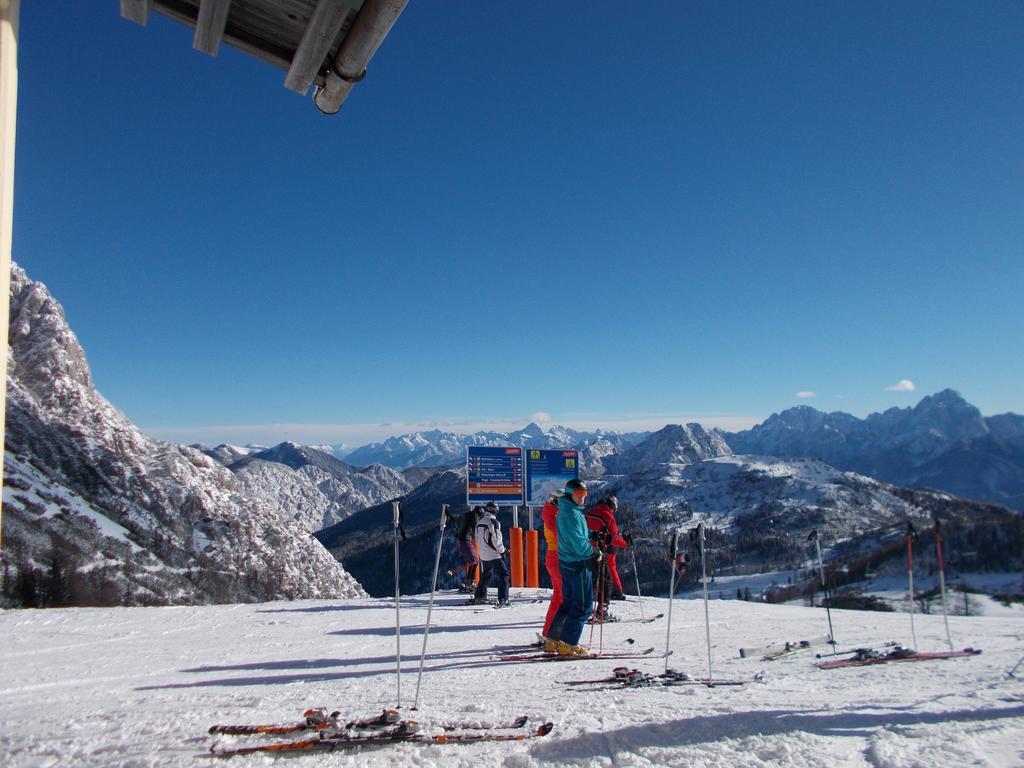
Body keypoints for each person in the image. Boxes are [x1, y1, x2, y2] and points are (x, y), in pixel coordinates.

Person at [546, 479, 603, 656]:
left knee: (569, 602)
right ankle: (568, 644)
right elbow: (578, 542)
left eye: (584, 495)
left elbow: (577, 533)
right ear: (570, 495)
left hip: (567, 563)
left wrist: (593, 534)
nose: (582, 499)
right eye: (578, 495)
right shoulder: (571, 513)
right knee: (583, 606)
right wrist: (593, 552)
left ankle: (553, 640)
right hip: (577, 563)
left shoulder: (569, 510)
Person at [586, 494, 629, 622]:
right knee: (605, 580)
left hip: (584, 550)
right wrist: (625, 543)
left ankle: (585, 609)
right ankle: (602, 611)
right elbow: (613, 538)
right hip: (600, 552)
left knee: (588, 580)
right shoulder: (608, 516)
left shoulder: (589, 513)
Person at [473, 501, 510, 607]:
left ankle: (480, 596)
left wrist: (482, 552)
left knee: (486, 575)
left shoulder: (479, 522)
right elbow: (496, 540)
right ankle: (503, 599)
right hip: (494, 554)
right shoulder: (494, 522)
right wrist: (502, 551)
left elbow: (478, 539)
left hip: (483, 554)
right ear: (496, 510)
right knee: (503, 575)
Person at [540, 493, 562, 645]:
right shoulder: (553, 516)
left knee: (559, 597)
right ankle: (554, 636)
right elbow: (562, 537)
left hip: (555, 556)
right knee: (562, 597)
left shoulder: (552, 513)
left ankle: (550, 633)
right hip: (558, 556)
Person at [453, 507, 481, 591]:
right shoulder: (474, 516)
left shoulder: (466, 515)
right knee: (475, 561)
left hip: (462, 541)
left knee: (472, 562)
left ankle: (469, 584)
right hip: (466, 540)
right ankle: (470, 584)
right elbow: (476, 527)